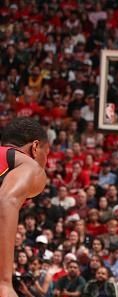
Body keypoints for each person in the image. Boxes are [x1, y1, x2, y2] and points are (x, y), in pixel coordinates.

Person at [0, 117, 49, 297]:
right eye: (47, 154)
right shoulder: (29, 165)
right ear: (35, 147)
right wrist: (4, 283)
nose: (47, 162)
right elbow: (7, 200)